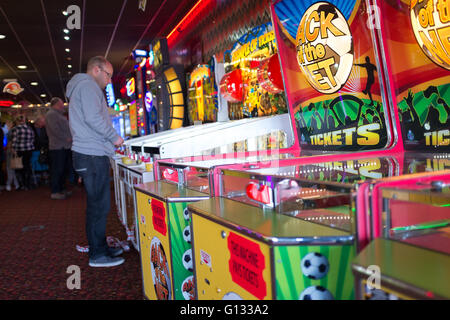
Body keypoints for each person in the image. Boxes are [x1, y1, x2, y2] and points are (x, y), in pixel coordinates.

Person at [66, 56, 124, 268]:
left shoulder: (82, 87)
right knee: (99, 206)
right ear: (97, 70)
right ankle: (97, 255)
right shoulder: (88, 86)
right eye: (108, 75)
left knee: (97, 205)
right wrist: (114, 137)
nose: (109, 81)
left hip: (89, 154)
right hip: (90, 154)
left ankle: (98, 247)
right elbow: (93, 118)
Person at [45, 97, 72, 199]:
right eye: (61, 104)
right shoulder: (51, 114)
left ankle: (61, 189)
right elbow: (54, 130)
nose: (63, 106)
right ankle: (55, 191)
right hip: (58, 147)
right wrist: (67, 138)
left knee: (62, 169)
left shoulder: (56, 114)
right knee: (57, 170)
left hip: (62, 146)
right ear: (56, 104)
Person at [10, 115, 35, 190]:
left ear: (17, 121)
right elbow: (33, 139)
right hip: (29, 149)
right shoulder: (30, 128)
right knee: (27, 166)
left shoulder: (15, 129)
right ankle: (28, 184)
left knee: (19, 167)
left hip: (19, 150)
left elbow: (14, 140)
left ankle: (22, 184)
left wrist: (13, 149)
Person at [5, 120, 20, 191]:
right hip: (16, 151)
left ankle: (9, 184)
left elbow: (9, 143)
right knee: (13, 168)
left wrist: (9, 148)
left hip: (10, 151)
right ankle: (16, 184)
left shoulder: (10, 132)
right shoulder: (17, 131)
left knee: (9, 168)